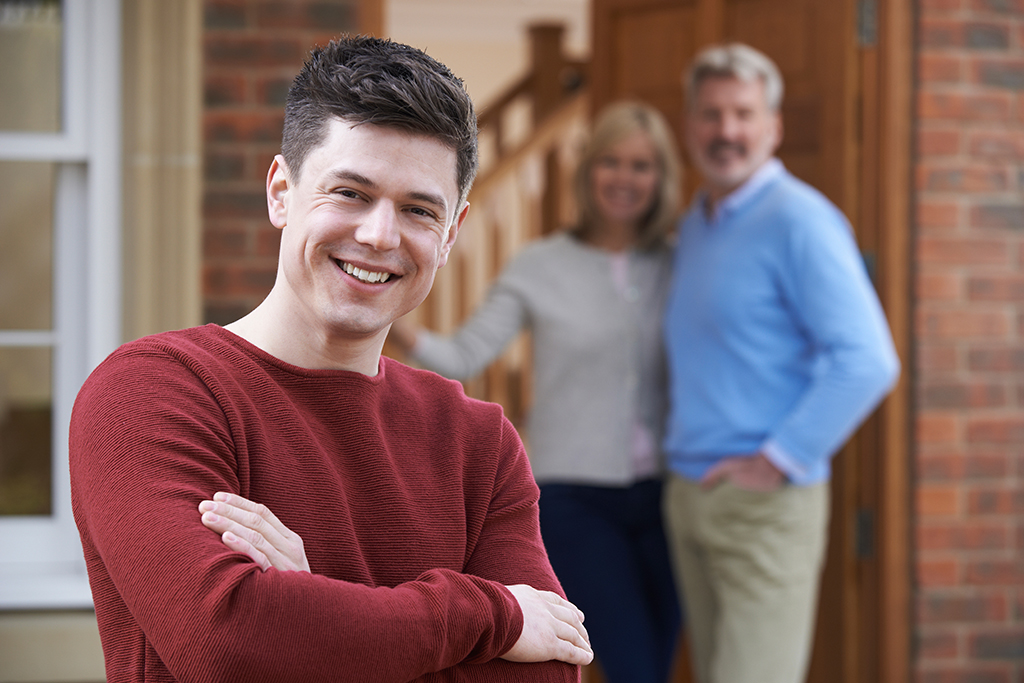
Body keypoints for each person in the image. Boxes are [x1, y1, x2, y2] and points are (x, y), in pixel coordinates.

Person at [69, 36, 593, 683]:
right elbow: (231, 646)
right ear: (281, 191)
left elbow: (549, 674)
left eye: (418, 209)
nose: (379, 234)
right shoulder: (152, 394)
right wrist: (493, 617)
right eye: (350, 192)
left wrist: (313, 606)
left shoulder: (479, 443)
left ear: (451, 233)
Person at [389, 101, 683, 683]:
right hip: (575, 499)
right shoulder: (539, 265)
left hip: (671, 497)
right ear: (589, 170)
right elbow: (465, 355)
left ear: (661, 179)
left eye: (642, 166)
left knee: (659, 661)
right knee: (632, 668)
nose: (625, 178)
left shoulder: (680, 264)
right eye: (612, 162)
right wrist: (387, 313)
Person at [661, 43, 901, 683]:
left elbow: (868, 359)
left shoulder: (801, 220)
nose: (727, 131)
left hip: (763, 503)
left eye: (743, 113)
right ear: (690, 126)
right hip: (690, 494)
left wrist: (776, 460)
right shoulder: (700, 222)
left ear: (774, 126)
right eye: (711, 114)